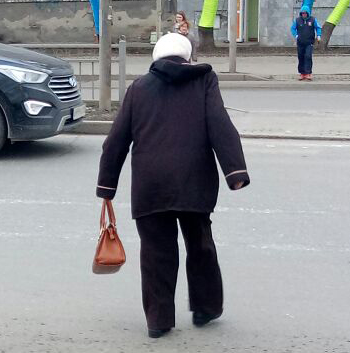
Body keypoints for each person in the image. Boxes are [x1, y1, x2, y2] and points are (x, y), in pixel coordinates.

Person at [96, 33, 250, 339]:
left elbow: (116, 141)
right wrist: (235, 172)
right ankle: (206, 308)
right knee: (200, 245)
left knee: (155, 253)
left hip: (151, 184)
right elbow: (220, 123)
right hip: (195, 181)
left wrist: (106, 187)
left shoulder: (138, 88)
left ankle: (158, 320)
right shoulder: (204, 80)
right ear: (187, 56)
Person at [291, 5, 321, 81]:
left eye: (305, 13)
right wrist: (296, 35)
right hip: (300, 42)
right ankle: (302, 73)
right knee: (301, 57)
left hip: (309, 42)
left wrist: (318, 35)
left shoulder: (313, 20)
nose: (304, 14)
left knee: (308, 56)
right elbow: (293, 28)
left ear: (308, 13)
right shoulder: (297, 20)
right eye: (302, 13)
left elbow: (318, 27)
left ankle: (308, 73)